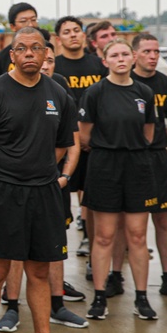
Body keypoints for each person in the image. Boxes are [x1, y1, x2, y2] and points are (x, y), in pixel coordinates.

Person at [0, 27, 83, 333]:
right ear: (11, 54)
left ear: (47, 53)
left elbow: (62, 145)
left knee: (40, 271)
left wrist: (42, 172)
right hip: (2, 194)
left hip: (44, 192)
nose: (29, 54)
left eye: (36, 48)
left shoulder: (58, 94)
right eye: (22, 49)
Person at [79, 40, 158, 321]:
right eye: (114, 55)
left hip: (137, 166)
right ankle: (100, 297)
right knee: (104, 236)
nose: (121, 59)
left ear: (134, 57)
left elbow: (148, 133)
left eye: (126, 54)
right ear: (105, 60)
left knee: (137, 235)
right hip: (104, 166)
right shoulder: (95, 92)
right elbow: (85, 135)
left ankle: (142, 298)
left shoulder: (144, 93)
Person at [130, 33, 167, 300]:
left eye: (155, 51)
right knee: (127, 224)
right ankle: (116, 277)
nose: (153, 56)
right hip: (129, 160)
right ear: (135, 55)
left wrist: (160, 142)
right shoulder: (124, 83)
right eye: (147, 51)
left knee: (162, 220)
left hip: (157, 160)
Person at [54, 16, 107, 258]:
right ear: (59, 38)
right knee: (64, 193)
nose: (73, 35)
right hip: (64, 141)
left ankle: (89, 238)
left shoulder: (98, 65)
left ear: (84, 35)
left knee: (92, 195)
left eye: (77, 30)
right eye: (67, 31)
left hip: (95, 141)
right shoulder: (55, 66)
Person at [0, 3, 39, 75]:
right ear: (12, 27)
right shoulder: (0, 59)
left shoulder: (46, 50)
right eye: (23, 21)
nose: (30, 25)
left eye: (33, 20)